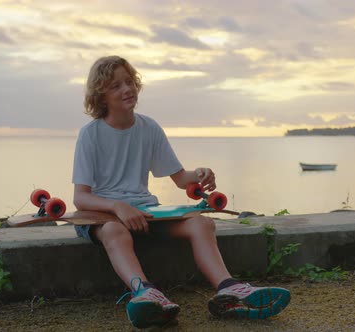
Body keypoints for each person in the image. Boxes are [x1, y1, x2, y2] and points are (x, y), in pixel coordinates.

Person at [72, 55, 290, 329]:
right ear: (101, 95)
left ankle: (229, 289)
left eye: (129, 82)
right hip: (101, 216)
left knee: (202, 223)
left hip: (145, 214)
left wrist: (198, 174)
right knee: (115, 231)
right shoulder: (90, 134)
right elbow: (81, 198)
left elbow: (179, 178)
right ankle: (145, 293)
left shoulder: (149, 128)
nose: (126, 89)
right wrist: (117, 207)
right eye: (115, 86)